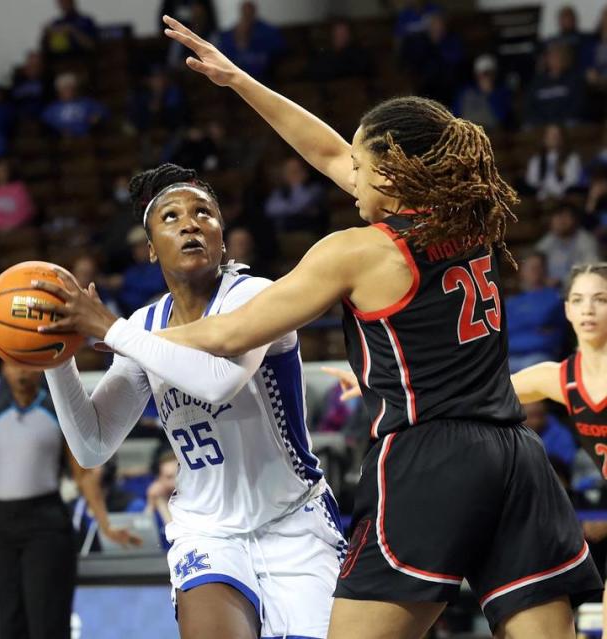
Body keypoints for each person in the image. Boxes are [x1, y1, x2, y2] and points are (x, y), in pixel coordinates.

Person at [149, 16, 601, 639]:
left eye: (362, 168)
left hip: (429, 456)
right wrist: (238, 81)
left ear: (392, 170)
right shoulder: (467, 219)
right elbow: (331, 151)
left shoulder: (363, 251)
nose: (349, 177)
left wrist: (111, 333)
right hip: (515, 457)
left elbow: (229, 335)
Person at [30, 163, 347, 639]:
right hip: (208, 530)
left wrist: (112, 331)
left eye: (204, 213)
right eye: (171, 217)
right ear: (151, 248)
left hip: (293, 522)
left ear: (222, 238)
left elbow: (220, 381)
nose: (191, 223)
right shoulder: (143, 324)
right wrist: (55, 356)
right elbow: (92, 444)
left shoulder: (254, 295)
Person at [328, 263, 607, 635]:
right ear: (567, 309)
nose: (588, 308)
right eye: (578, 299)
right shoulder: (559, 377)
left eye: (600, 299)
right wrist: (377, 383)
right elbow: (467, 393)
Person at [0, 361, 139, 639]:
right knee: (6, 624)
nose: (21, 372)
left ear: (39, 369)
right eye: (13, 366)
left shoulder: (55, 410)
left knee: (48, 622)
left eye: (26, 365)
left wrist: (105, 523)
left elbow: (82, 474)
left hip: (46, 523)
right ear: (3, 370)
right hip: (0, 526)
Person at [506, 252, 567, 371]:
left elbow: (541, 319)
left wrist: (520, 323)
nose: (535, 271)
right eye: (530, 267)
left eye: (538, 267)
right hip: (510, 357)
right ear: (521, 272)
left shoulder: (555, 297)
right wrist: (534, 327)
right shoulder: (512, 302)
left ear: (545, 271)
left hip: (539, 357)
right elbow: (505, 332)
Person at [536, 203, 600, 285]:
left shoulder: (586, 240)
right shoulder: (550, 239)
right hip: (549, 290)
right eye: (558, 217)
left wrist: (561, 281)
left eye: (565, 218)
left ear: (575, 221)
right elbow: (534, 259)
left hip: (577, 289)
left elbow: (592, 269)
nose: (561, 222)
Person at [452, 54, 512, 130]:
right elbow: (455, 115)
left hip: (492, 134)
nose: (486, 77)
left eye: (489, 73)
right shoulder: (464, 93)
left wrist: (490, 94)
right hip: (468, 132)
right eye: (483, 74)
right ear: (476, 75)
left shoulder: (501, 93)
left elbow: (502, 118)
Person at [524, 124, 582, 200]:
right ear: (544, 138)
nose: (554, 138)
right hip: (540, 197)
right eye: (550, 135)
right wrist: (544, 192)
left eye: (556, 135)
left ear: (562, 138)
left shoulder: (572, 158)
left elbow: (572, 181)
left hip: (564, 197)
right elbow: (531, 181)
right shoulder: (536, 160)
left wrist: (556, 191)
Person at [41, 73, 107, 138]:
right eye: (65, 88)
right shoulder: (52, 108)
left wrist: (97, 116)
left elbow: (104, 112)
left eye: (71, 87)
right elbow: (46, 123)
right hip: (61, 139)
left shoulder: (87, 103)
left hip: (86, 136)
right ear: (59, 91)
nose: (69, 91)